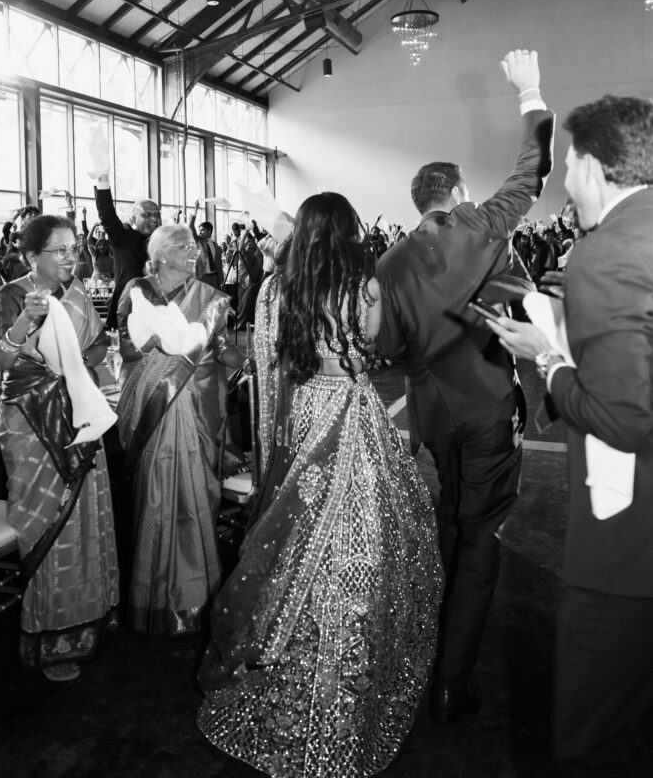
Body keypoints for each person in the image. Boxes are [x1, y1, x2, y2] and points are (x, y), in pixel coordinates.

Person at [197, 192, 443, 778]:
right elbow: (374, 352)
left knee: (293, 531)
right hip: (353, 412)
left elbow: (270, 359)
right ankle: (348, 656)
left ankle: (284, 647)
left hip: (303, 413)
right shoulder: (365, 286)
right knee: (367, 534)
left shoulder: (279, 289)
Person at [376, 49, 554, 723]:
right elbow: (532, 173)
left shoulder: (389, 263)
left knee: (453, 516)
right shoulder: (477, 223)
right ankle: (452, 676)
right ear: (452, 193)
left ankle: (437, 632)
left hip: (431, 412)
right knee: (480, 534)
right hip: (485, 404)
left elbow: (387, 349)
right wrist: (529, 92)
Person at [486, 95, 653, 778]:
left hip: (628, 527)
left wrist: (547, 357)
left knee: (591, 731)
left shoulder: (603, 256)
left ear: (587, 163)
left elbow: (623, 418)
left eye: (568, 169)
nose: (564, 185)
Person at [0, 215, 119, 681]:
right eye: (59, 250)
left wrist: (78, 362)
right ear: (31, 256)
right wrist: (28, 318)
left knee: (85, 515)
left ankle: (89, 622)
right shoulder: (12, 295)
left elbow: (100, 346)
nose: (71, 257)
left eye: (73, 248)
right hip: (32, 418)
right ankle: (50, 637)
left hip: (79, 410)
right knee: (48, 520)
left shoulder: (80, 291)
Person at [116, 224, 244, 635]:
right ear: (158, 252)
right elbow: (125, 344)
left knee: (195, 497)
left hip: (199, 406)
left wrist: (239, 357)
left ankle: (196, 597)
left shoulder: (209, 297)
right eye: (181, 245)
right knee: (156, 493)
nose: (192, 251)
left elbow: (221, 347)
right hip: (154, 402)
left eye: (193, 245)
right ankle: (150, 598)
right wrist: (161, 338)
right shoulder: (137, 288)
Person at [93, 171, 161, 327]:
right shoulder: (123, 237)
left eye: (157, 215)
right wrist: (103, 181)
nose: (154, 219)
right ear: (134, 219)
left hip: (156, 305)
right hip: (128, 303)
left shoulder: (162, 241)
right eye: (147, 215)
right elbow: (107, 213)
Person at [188, 202, 224, 288]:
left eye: (202, 230)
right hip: (201, 279)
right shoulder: (198, 242)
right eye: (199, 230)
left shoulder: (217, 247)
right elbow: (190, 227)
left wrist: (222, 281)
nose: (199, 232)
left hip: (214, 279)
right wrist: (196, 209)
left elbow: (219, 266)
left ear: (209, 231)